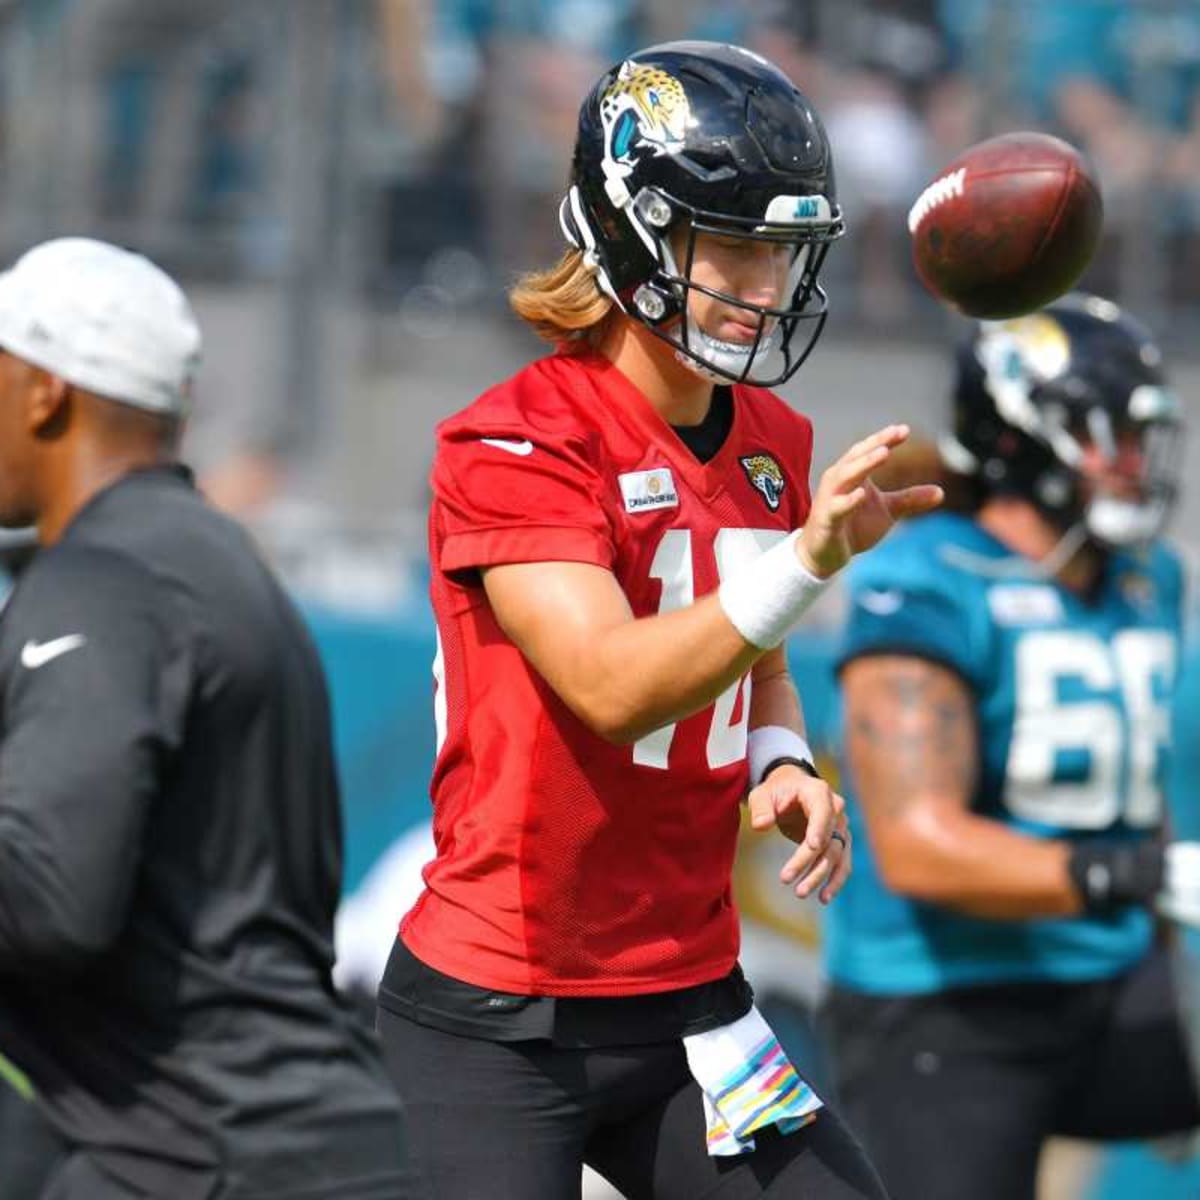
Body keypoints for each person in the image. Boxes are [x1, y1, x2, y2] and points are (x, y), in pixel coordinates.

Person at [376, 39, 942, 1199]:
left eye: (781, 253)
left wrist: (777, 758)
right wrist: (810, 557)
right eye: (731, 246)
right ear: (629, 228)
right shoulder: (516, 441)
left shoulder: (773, 444)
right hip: (505, 1007)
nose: (763, 286)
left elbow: (754, 662)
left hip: (691, 999)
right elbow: (612, 684)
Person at [0, 237, 414, 1199]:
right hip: (293, 1142)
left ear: (43, 393)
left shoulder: (102, 581)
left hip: (211, 1155)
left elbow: (51, 904)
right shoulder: (219, 566)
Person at [824, 292, 1200, 1200]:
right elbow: (918, 846)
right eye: (1114, 434)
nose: (1137, 462)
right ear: (1030, 436)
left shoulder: (1151, 576)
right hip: (947, 1004)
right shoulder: (926, 582)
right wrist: (1139, 878)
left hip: (1107, 972)